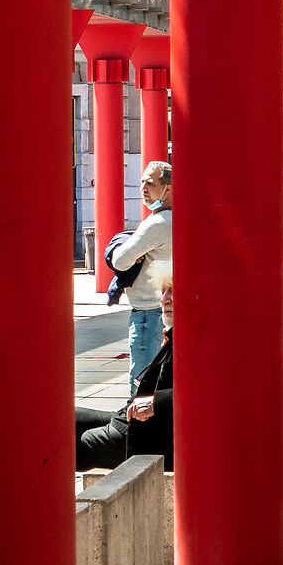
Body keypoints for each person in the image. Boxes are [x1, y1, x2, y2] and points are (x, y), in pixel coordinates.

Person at [78, 275, 174, 471]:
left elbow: (215, 393)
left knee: (67, 447)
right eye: (163, 292)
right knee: (63, 419)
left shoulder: (204, 340)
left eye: (173, 291)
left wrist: (158, 402)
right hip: (131, 419)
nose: (165, 299)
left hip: (148, 433)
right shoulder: (175, 332)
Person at [105, 161, 173, 376]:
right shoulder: (180, 218)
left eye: (150, 183)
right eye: (142, 182)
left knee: (142, 381)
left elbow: (120, 260)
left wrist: (119, 248)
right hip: (167, 307)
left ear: (168, 188)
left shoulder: (157, 223)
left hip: (148, 311)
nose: (143, 188)